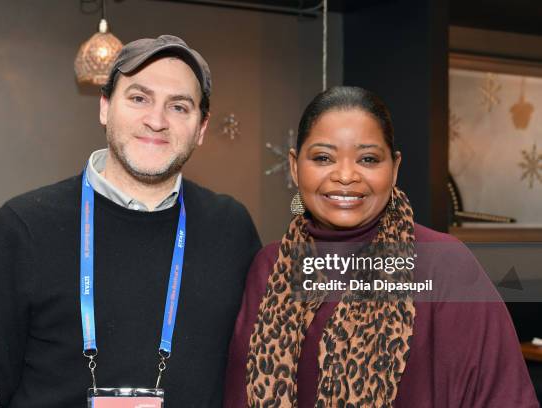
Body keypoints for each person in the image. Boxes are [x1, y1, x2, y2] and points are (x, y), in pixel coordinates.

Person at [0, 35, 261, 407]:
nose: (156, 120)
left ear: (201, 128)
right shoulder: (23, 227)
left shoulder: (231, 228)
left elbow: (260, 369)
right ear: (105, 107)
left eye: (178, 107)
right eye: (139, 98)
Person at [223, 86, 539, 407]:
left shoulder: (443, 264)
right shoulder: (271, 266)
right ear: (294, 166)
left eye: (368, 159)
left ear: (395, 168)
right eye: (323, 157)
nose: (345, 175)